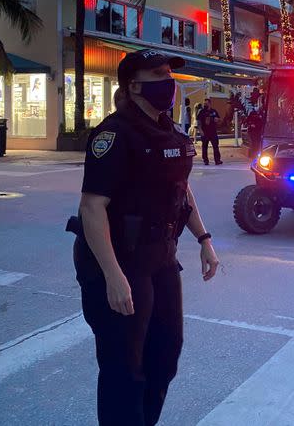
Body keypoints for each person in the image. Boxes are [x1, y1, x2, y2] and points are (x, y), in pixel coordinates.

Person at [72, 49, 220, 426]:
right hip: (120, 261)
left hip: (160, 259)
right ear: (134, 85)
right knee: (124, 369)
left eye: (169, 73)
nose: (168, 81)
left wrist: (203, 238)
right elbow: (91, 207)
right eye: (158, 73)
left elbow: (181, 191)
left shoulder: (170, 132)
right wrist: (113, 275)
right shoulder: (114, 134)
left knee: (165, 357)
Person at [197, 98, 222, 165]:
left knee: (215, 146)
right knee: (204, 147)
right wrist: (200, 131)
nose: (205, 105)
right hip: (205, 132)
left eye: (206, 104)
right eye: (204, 104)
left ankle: (217, 160)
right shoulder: (201, 112)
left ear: (210, 104)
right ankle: (205, 160)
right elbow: (198, 122)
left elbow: (219, 119)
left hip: (213, 132)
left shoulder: (214, 111)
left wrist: (218, 119)